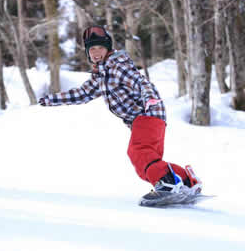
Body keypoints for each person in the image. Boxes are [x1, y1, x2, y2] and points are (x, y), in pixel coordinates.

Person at [39, 25, 202, 199]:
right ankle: (186, 181)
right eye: (91, 49)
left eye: (100, 48)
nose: (95, 52)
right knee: (146, 163)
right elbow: (82, 94)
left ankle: (168, 185)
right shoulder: (101, 76)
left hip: (147, 114)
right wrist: (51, 100)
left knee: (138, 152)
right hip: (146, 120)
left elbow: (141, 83)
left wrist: (149, 98)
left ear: (108, 48)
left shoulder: (117, 67)